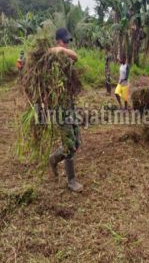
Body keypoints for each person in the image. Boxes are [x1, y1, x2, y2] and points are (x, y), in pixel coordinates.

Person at [49, 28, 83, 192]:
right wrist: (60, 49)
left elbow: (75, 56)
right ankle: (71, 181)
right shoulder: (50, 56)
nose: (67, 44)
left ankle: (54, 158)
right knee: (69, 144)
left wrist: (63, 50)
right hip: (59, 107)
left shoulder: (66, 58)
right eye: (64, 41)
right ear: (58, 40)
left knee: (77, 142)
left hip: (69, 105)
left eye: (68, 41)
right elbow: (52, 52)